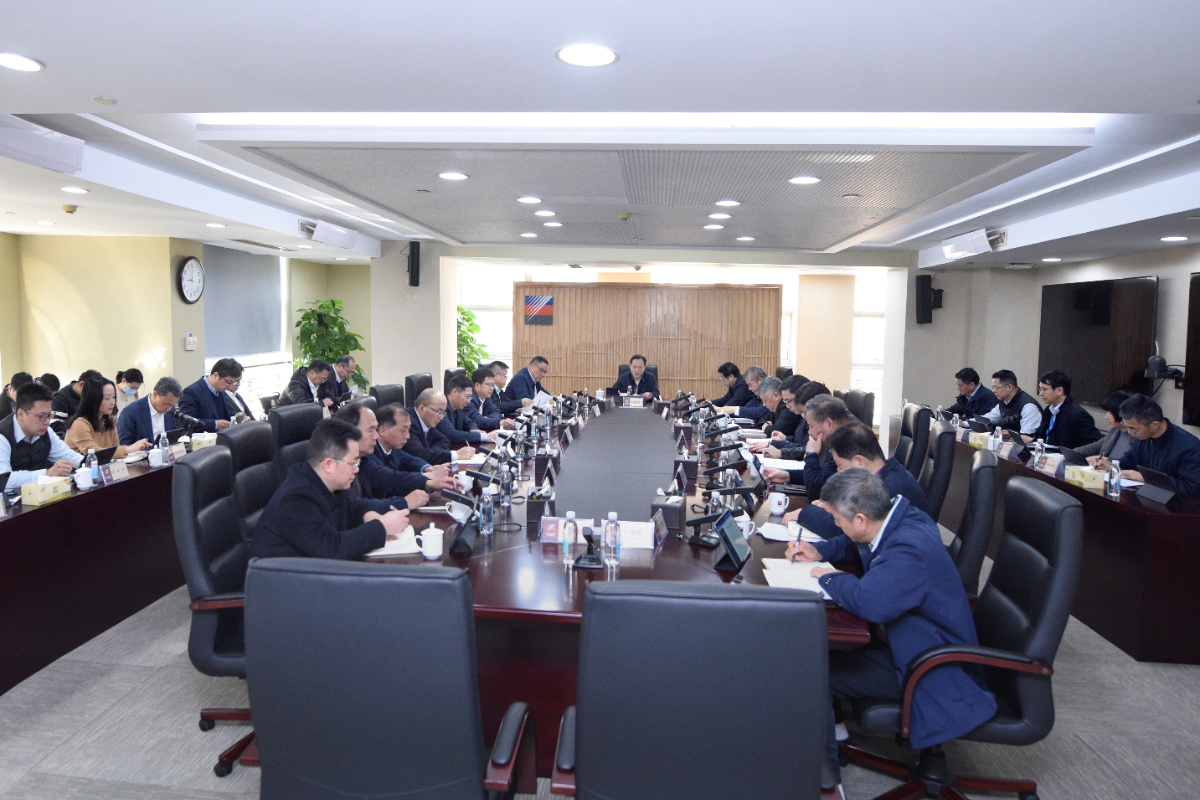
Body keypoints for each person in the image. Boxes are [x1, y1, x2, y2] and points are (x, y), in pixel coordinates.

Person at [785, 469, 997, 794]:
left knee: (812, 672)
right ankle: (830, 737)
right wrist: (823, 551)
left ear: (860, 519)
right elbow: (858, 544)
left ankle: (828, 788)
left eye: (838, 520)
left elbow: (869, 602)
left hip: (932, 667)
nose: (837, 526)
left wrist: (827, 577)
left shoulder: (908, 550)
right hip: (918, 643)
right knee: (819, 656)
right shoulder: (903, 517)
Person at [251, 418, 409, 559]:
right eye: (353, 462)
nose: (356, 469)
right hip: (281, 579)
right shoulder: (295, 499)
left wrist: (369, 516)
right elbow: (333, 549)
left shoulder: (329, 483)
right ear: (328, 464)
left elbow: (354, 506)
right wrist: (381, 527)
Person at [785, 422, 930, 539]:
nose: (838, 471)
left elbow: (847, 533)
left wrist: (805, 514)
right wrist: (834, 508)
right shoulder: (883, 474)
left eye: (839, 465)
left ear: (860, 462)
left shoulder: (887, 489)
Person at [1098, 394, 1200, 498]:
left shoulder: (1189, 446)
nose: (1130, 432)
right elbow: (1129, 461)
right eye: (1126, 427)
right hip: (1143, 498)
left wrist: (1147, 478)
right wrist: (1111, 464)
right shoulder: (1143, 436)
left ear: (1154, 425)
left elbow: (1193, 488)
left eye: (1133, 428)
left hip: (1175, 505)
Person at [334, 402, 429, 510]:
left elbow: (390, 478)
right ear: (349, 433)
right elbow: (356, 508)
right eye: (371, 430)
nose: (376, 435)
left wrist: (427, 481)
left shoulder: (363, 460)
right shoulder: (338, 469)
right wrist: (405, 502)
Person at [764, 394, 853, 497]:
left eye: (811, 426)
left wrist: (811, 454)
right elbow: (822, 475)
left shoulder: (847, 445)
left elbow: (815, 489)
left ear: (829, 424)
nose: (809, 432)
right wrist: (788, 475)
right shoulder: (838, 437)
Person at [0, 382, 84, 490]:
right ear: (21, 414)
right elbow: (4, 479)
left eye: (49, 415)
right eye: (41, 416)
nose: (47, 421)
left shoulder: (46, 431)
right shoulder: (3, 436)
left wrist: (88, 462)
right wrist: (47, 474)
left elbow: (67, 455)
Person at [373, 403, 460, 495]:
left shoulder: (393, 448)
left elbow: (408, 459)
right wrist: (428, 477)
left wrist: (428, 468)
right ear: (383, 431)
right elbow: (392, 479)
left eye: (408, 430)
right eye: (403, 430)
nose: (407, 436)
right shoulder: (370, 454)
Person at [64, 376, 151, 458]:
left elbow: (115, 451)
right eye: (107, 398)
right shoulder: (79, 424)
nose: (112, 402)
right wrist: (128, 449)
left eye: (114, 397)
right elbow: (93, 453)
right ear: (93, 400)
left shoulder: (108, 421)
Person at [1032, 369, 1102, 448]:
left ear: (1059, 390)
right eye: (1040, 389)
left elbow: (1095, 444)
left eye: (1044, 389)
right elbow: (1041, 437)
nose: (1041, 393)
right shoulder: (1048, 410)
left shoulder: (1078, 415)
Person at [405, 388, 473, 465]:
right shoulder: (408, 424)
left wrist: (432, 453)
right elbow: (419, 455)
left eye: (443, 412)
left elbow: (444, 439)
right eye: (439, 412)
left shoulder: (426, 421)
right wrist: (455, 455)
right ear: (422, 408)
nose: (441, 417)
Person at [178, 358, 243, 432]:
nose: (229, 386)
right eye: (229, 382)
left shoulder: (220, 390)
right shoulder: (191, 392)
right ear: (216, 375)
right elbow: (186, 423)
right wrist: (215, 424)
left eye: (232, 383)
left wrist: (235, 415)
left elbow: (220, 413)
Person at [118, 376, 182, 446]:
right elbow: (125, 445)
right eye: (166, 405)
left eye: (172, 405)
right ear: (155, 394)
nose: (169, 409)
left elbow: (173, 436)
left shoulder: (171, 409)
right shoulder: (130, 412)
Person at [1079, 390, 1137, 464]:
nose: (1106, 417)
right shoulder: (1115, 430)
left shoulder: (1137, 437)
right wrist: (1072, 453)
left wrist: (1109, 462)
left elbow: (1130, 463)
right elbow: (1096, 446)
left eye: (1110, 413)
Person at [441, 375, 498, 447]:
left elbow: (469, 422)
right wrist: (484, 437)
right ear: (454, 392)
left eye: (470, 397)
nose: (468, 401)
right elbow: (452, 435)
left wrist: (474, 430)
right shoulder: (441, 408)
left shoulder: (458, 408)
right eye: (467, 396)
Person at [982, 369, 1041, 437]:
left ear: (1009, 387)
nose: (993, 391)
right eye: (993, 387)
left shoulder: (1028, 406)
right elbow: (989, 418)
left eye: (996, 388)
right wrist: (971, 423)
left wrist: (1012, 434)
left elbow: (1027, 436)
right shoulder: (1004, 402)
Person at [52, 369, 102, 434]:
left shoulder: (86, 395)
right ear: (81, 385)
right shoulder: (60, 399)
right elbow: (57, 427)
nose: (93, 396)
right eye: (91, 392)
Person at [468, 367, 516, 432]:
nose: (492, 388)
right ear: (477, 385)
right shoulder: (469, 400)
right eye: (489, 384)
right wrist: (499, 423)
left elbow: (496, 411)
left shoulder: (486, 398)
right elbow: (477, 420)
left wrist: (488, 419)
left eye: (493, 385)